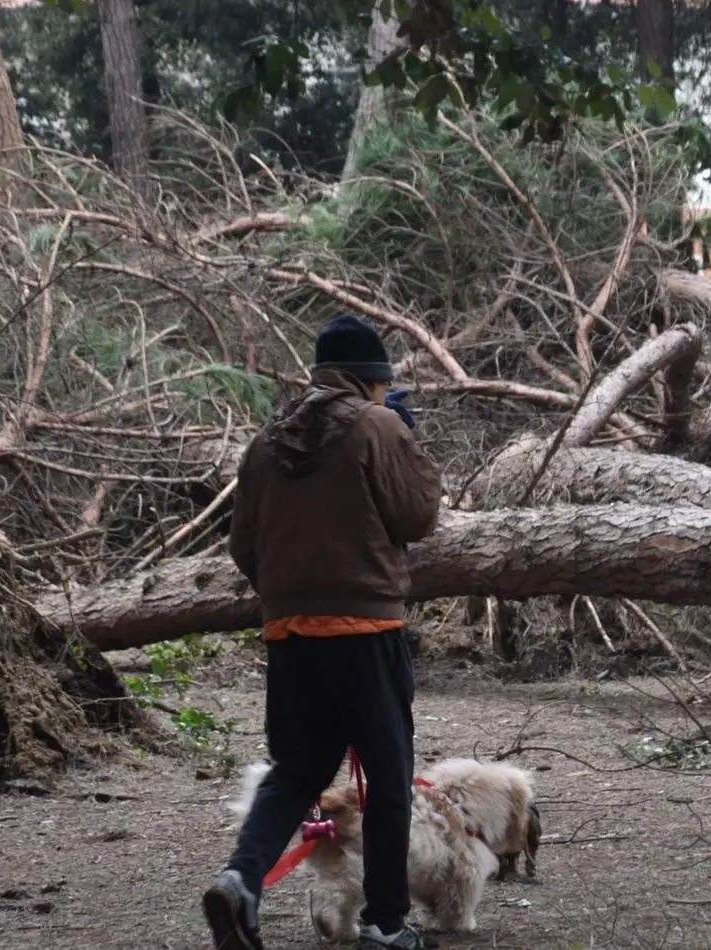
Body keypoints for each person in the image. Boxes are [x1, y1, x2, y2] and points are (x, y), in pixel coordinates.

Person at [202, 314, 443, 950]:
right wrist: (408, 446)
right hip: (366, 631)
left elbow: (243, 546)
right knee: (389, 780)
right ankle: (386, 925)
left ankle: (241, 879)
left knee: (296, 771)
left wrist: (287, 597)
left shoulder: (264, 443)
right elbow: (418, 517)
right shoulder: (378, 426)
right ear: (372, 383)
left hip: (290, 636)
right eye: (383, 388)